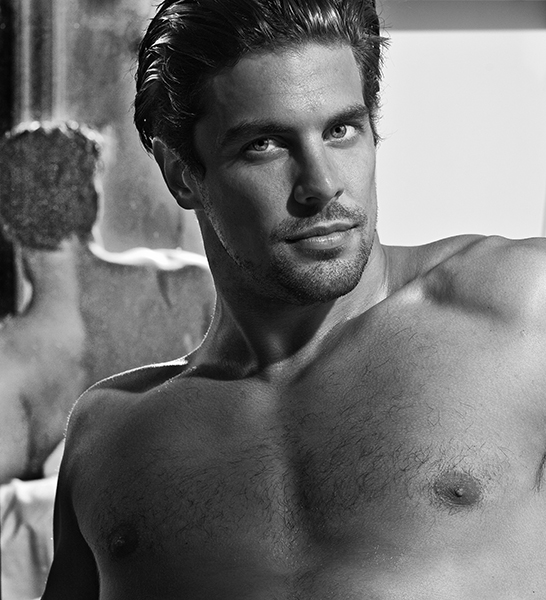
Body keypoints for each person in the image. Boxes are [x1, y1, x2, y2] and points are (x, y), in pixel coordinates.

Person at [42, 0, 546, 597]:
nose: (322, 185)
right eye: (266, 144)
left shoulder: (521, 307)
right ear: (182, 174)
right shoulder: (109, 435)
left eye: (341, 130)